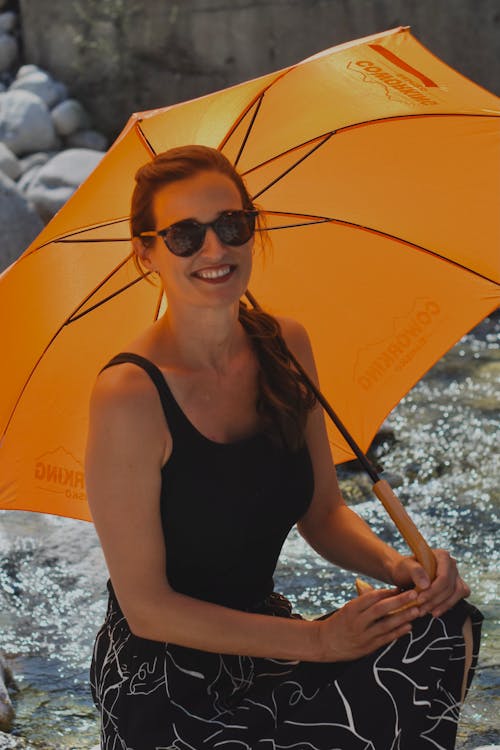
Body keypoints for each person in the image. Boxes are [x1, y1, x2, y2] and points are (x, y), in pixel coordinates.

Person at [85, 145, 482, 749]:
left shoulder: (286, 347)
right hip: (164, 673)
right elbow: (149, 609)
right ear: (147, 253)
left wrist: (402, 570)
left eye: (231, 224)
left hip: (267, 636)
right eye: (185, 236)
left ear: (252, 227)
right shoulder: (129, 395)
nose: (215, 250)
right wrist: (321, 642)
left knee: (440, 623)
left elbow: (322, 514)